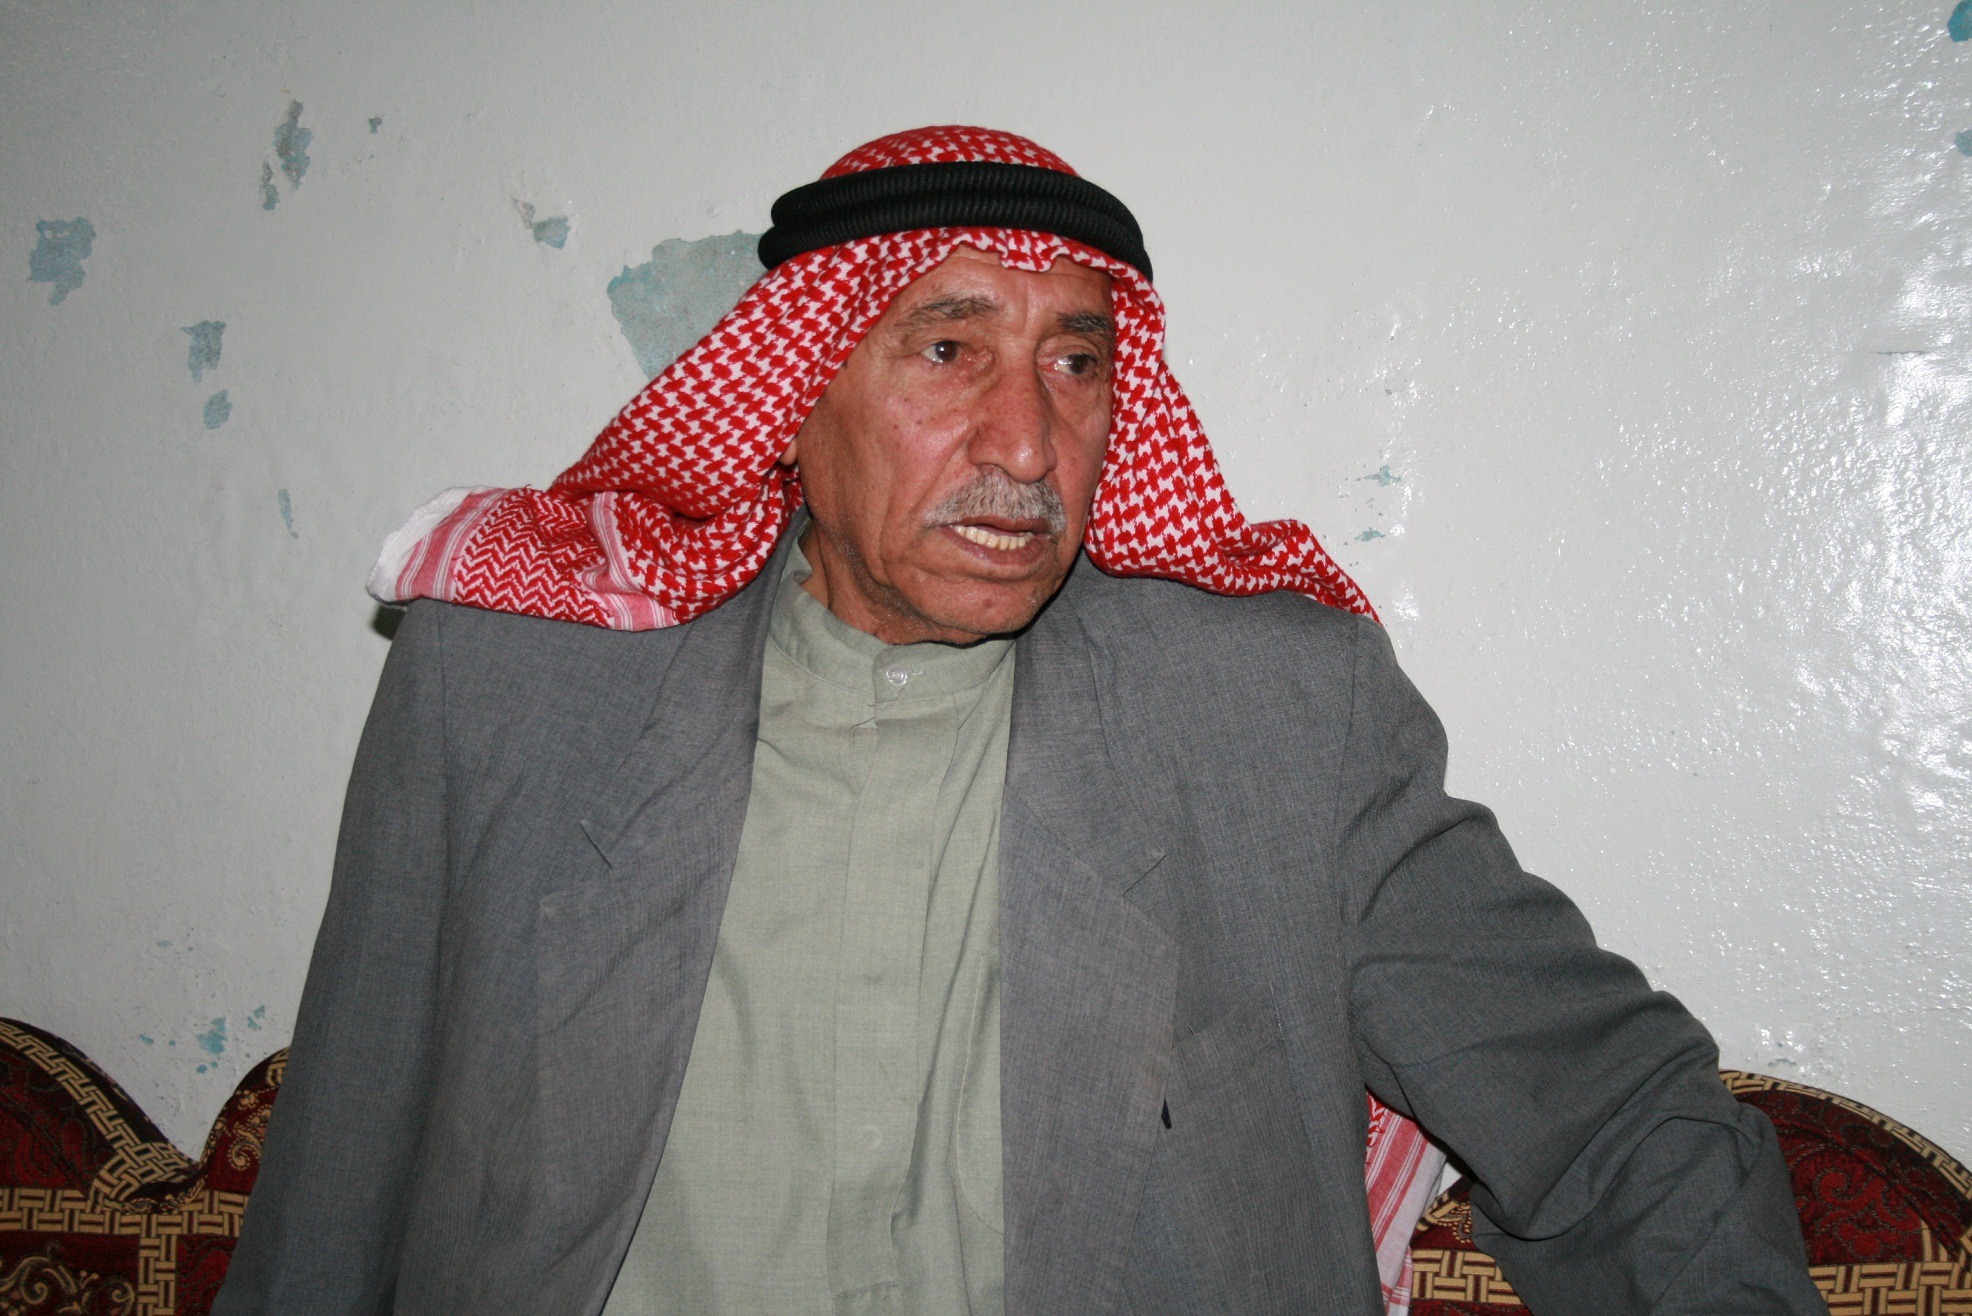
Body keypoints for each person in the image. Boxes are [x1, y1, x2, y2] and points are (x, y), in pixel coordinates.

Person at [214, 127, 1822, 1315]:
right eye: (949, 349)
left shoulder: (1275, 723)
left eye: (1074, 363)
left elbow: (1613, 1112)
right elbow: (337, 1192)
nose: (1029, 442)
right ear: (791, 397)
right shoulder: (511, 685)